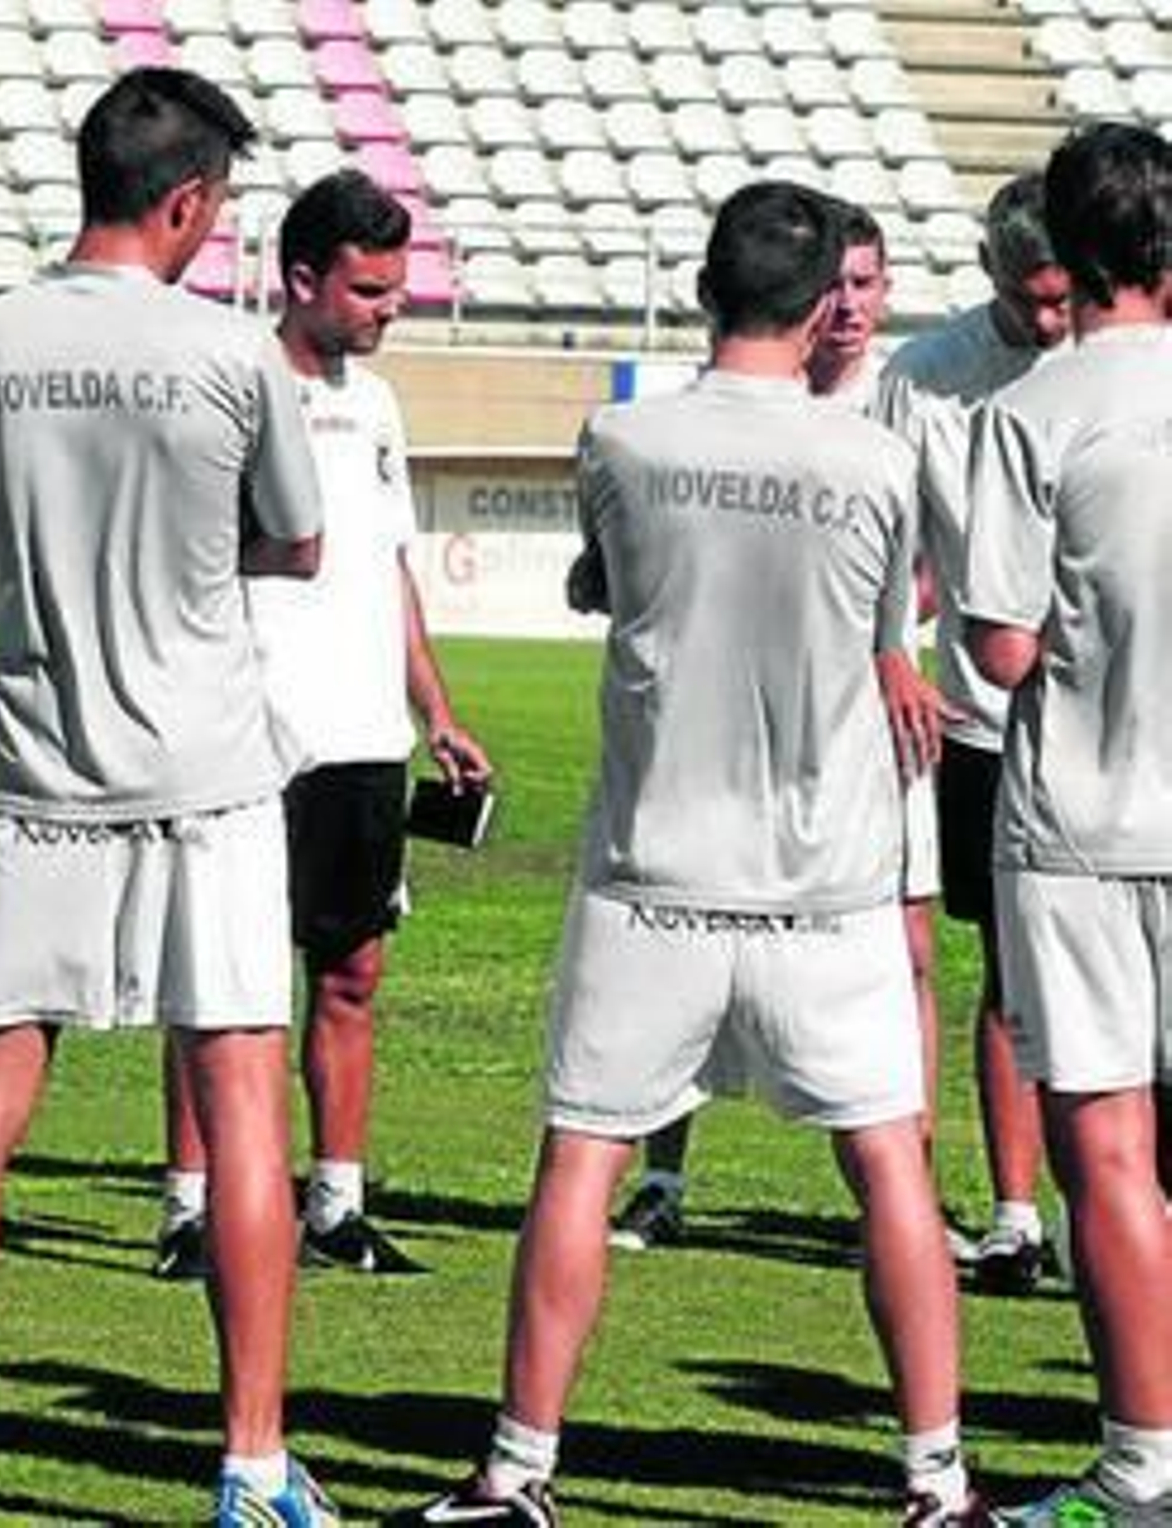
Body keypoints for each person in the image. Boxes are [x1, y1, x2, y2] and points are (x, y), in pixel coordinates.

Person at [409, 182, 983, 1528]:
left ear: (705, 286)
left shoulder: (620, 436)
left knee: (583, 1159)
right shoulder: (879, 462)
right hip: (825, 886)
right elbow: (881, 620)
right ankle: (938, 1482)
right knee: (891, 1163)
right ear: (820, 302)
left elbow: (609, 583)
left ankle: (518, 1472)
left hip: (655, 877)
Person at [0, 69, 336, 1528]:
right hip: (205, 776)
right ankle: (250, 1466)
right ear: (187, 200)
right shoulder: (231, 353)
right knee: (243, 1103)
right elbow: (300, 545)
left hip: (40, 764)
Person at [155, 168, 491, 1282]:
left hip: (361, 739)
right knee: (222, 983)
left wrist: (432, 710)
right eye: (367, 289)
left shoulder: (379, 406)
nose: (388, 308)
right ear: (301, 279)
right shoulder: (231, 383)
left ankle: (335, 1205)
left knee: (351, 975)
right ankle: (188, 1211)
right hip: (253, 733)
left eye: (396, 289)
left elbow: (385, 565)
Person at [609, 202, 949, 1252]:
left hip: (864, 739)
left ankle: (902, 1186)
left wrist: (893, 645)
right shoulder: (696, 419)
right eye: (834, 284)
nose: (847, 305)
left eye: (866, 283)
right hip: (718, 750)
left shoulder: (906, 407)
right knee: (677, 967)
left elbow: (935, 569)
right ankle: (662, 1175)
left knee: (908, 950)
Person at [962, 121, 1172, 1524]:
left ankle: (1145, 1463)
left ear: (1065, 257)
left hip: (1089, 819)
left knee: (1106, 1148)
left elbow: (1001, 648)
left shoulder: (1030, 412)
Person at [875, 173, 1072, 1296]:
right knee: (1007, 966)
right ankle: (1012, 1216)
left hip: (1120, 725)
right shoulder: (926, 378)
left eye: (1061, 299)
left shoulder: (1116, 367)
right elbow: (886, 543)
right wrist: (888, 646)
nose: (1047, 324)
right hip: (985, 721)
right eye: (1027, 300)